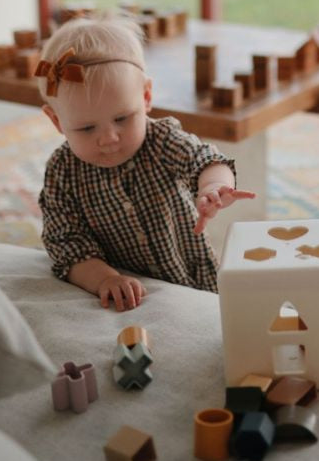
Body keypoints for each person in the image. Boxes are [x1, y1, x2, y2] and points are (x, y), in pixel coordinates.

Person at [35, 16, 255, 312]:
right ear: (56, 121)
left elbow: (204, 159)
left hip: (190, 279)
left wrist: (214, 185)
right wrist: (105, 280)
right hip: (120, 293)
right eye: (86, 128)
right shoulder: (62, 172)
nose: (109, 138)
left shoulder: (161, 140)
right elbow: (66, 244)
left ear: (146, 96)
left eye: (122, 118)